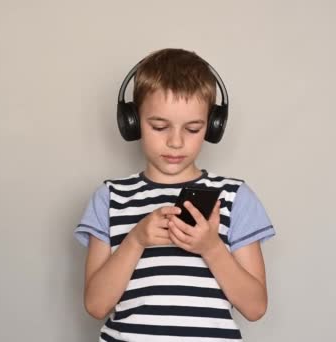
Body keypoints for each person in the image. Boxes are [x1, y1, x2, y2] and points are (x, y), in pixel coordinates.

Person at [73, 48, 276, 342]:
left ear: (212, 125)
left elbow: (255, 307)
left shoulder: (235, 197)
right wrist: (136, 240)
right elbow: (95, 305)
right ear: (131, 121)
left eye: (193, 129)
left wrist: (212, 248)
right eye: (159, 126)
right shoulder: (109, 198)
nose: (176, 141)